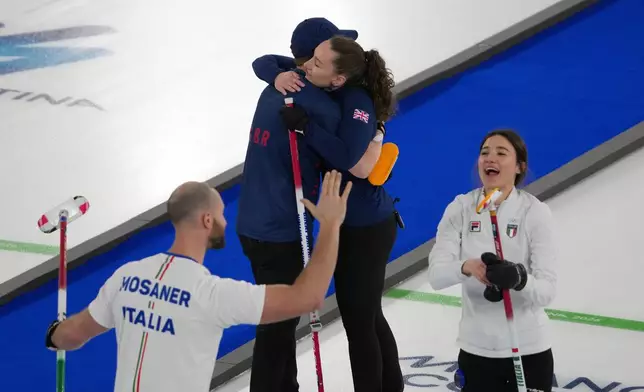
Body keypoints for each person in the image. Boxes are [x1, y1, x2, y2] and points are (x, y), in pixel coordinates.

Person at [44, 171, 353, 392]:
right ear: (207, 220)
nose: (226, 221)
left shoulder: (126, 277)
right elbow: (308, 297)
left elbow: (72, 335)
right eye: (221, 213)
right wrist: (330, 224)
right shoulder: (212, 295)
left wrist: (55, 332)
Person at [253, 31, 404, 392]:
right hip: (344, 223)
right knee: (365, 315)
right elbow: (265, 62)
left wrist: (307, 127)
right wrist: (277, 76)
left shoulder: (356, 102)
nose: (305, 67)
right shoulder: (321, 79)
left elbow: (352, 161)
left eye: (315, 62)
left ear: (338, 75)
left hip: (366, 226)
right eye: (309, 59)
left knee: (360, 320)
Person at [235, 18, 361, 392]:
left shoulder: (277, 85)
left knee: (276, 323)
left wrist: (272, 75)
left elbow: (264, 61)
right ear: (317, 57)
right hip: (282, 231)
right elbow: (346, 157)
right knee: (277, 328)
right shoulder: (319, 105)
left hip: (250, 222)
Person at [427, 129, 557, 392]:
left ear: (520, 167)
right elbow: (437, 275)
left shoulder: (535, 212)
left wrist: (519, 279)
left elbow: (547, 291)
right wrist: (467, 267)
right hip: (477, 351)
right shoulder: (461, 208)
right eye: (485, 153)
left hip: (528, 350)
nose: (490, 159)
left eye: (501, 153)